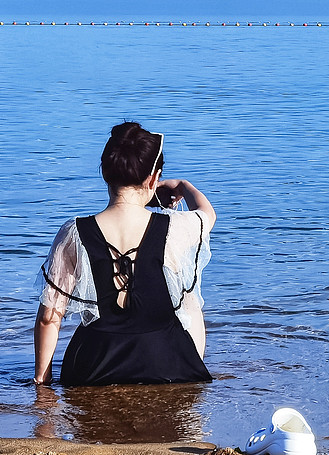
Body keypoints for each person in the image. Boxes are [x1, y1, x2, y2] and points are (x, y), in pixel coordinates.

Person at [33, 122, 216, 386]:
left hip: (94, 366)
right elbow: (207, 215)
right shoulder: (175, 227)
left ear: (105, 173)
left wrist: (42, 381)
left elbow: (49, 318)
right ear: (153, 179)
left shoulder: (74, 232)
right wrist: (183, 186)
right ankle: (192, 372)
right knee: (188, 297)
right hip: (166, 362)